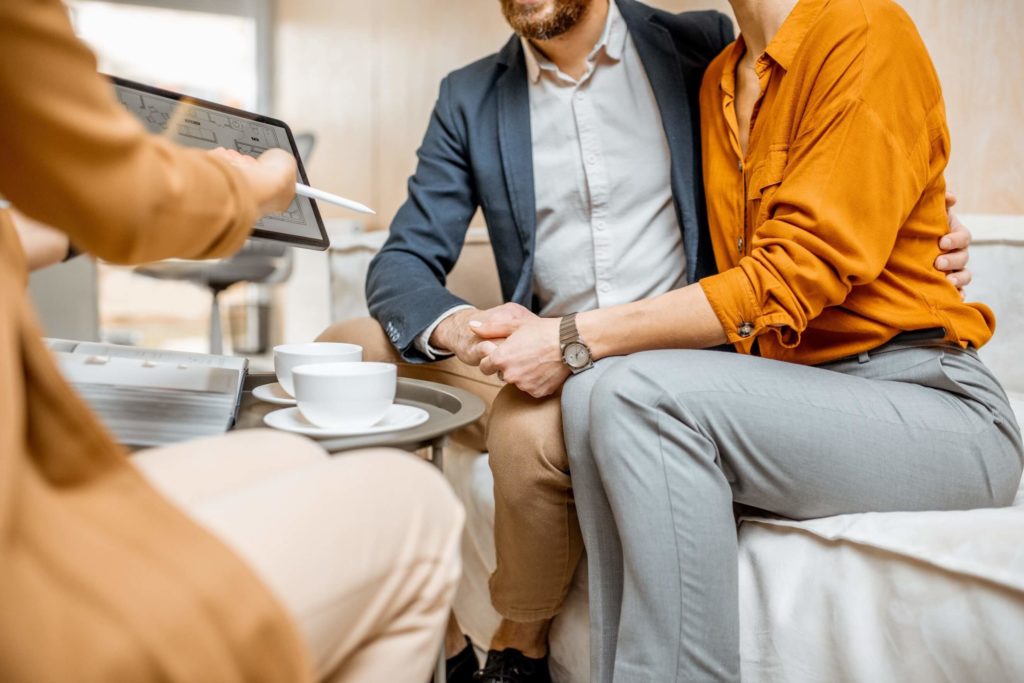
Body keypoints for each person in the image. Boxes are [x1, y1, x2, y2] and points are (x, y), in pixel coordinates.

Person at [317, 0, 974, 680]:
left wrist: (919, 221)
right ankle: (435, 629)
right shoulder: (475, 95)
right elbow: (401, 262)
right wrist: (468, 328)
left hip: (670, 357)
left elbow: (811, 210)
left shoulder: (700, 49)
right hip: (550, 344)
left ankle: (518, 644)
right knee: (346, 347)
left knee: (539, 426)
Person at [0, 3, 462, 682]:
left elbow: (85, 209)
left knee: (283, 446)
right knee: (420, 503)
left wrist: (81, 222)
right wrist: (253, 184)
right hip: (27, 582)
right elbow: (131, 193)